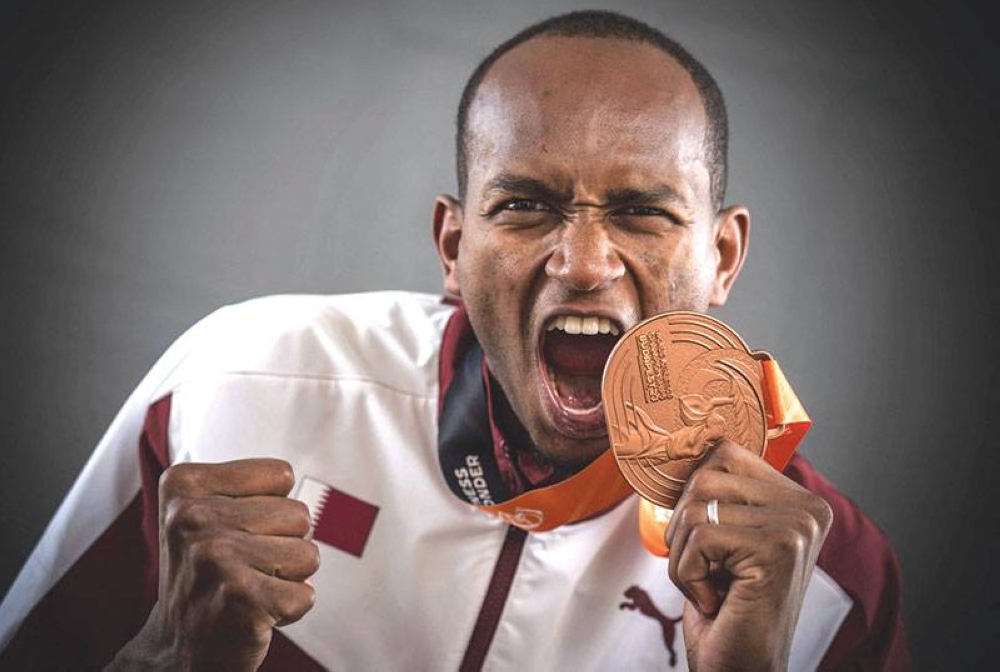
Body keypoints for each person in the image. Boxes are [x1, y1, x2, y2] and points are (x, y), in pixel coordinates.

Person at [0, 10, 910, 670]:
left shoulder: (829, 578)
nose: (586, 261)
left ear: (721, 256)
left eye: (641, 210)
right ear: (453, 246)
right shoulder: (239, 382)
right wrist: (163, 662)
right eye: (524, 205)